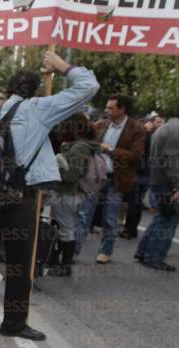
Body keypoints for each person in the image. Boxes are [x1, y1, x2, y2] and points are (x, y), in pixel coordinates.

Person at [0, 50, 99, 341]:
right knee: (19, 263)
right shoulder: (35, 108)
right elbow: (88, 87)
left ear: (9, 88)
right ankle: (13, 323)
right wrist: (62, 66)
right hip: (18, 196)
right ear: (35, 90)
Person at [74, 94, 145, 264]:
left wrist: (110, 149)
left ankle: (106, 250)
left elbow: (135, 155)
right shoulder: (102, 124)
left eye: (111, 108)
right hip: (95, 177)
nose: (107, 110)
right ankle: (73, 250)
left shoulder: (136, 129)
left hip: (116, 179)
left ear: (122, 109)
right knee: (84, 215)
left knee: (110, 218)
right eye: (107, 107)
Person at [134, 100, 179, 271]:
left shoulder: (166, 128)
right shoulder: (175, 131)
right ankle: (154, 257)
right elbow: (174, 161)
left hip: (160, 181)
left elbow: (174, 155)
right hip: (168, 185)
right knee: (166, 224)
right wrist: (177, 187)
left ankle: (143, 252)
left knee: (159, 220)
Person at [49, 113, 101, 277]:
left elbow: (72, 175)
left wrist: (56, 167)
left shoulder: (79, 147)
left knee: (65, 230)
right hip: (66, 193)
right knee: (64, 228)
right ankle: (60, 262)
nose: (61, 129)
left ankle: (64, 265)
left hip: (67, 194)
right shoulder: (77, 145)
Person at [119, 117, 154, 239]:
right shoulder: (149, 138)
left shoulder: (142, 139)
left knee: (133, 203)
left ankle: (129, 229)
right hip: (144, 175)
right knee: (136, 203)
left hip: (138, 174)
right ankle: (131, 229)